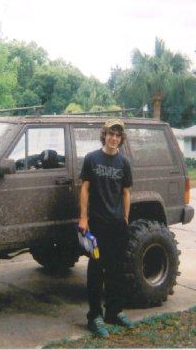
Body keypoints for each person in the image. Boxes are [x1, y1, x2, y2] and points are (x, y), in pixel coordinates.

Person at [78, 118, 135, 337]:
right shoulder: (92, 159)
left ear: (121, 139)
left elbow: (126, 192)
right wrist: (83, 218)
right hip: (97, 224)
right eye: (111, 134)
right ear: (105, 135)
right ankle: (94, 316)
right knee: (96, 270)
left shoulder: (124, 162)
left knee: (116, 270)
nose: (114, 138)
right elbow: (85, 189)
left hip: (117, 224)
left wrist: (125, 217)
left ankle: (114, 312)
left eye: (118, 135)